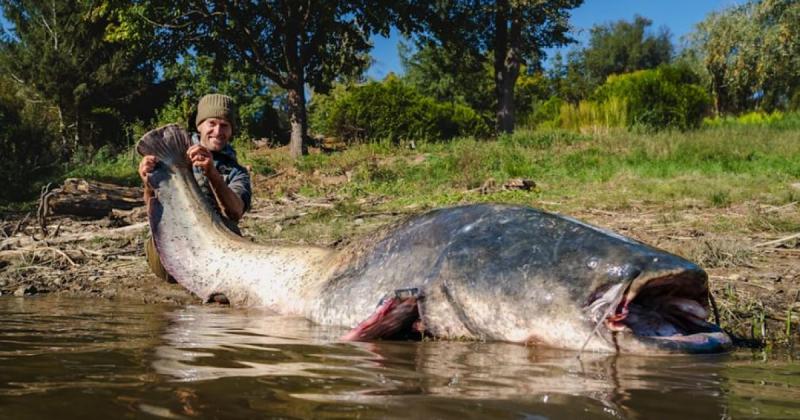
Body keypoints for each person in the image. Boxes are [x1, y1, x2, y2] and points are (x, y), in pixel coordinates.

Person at [139, 93, 252, 281]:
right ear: (199, 126)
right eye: (212, 124)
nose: (218, 131)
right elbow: (152, 206)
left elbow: (235, 212)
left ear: (231, 131)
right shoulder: (171, 158)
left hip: (218, 244)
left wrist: (212, 174)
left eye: (225, 125)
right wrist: (148, 183)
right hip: (175, 241)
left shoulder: (238, 172)